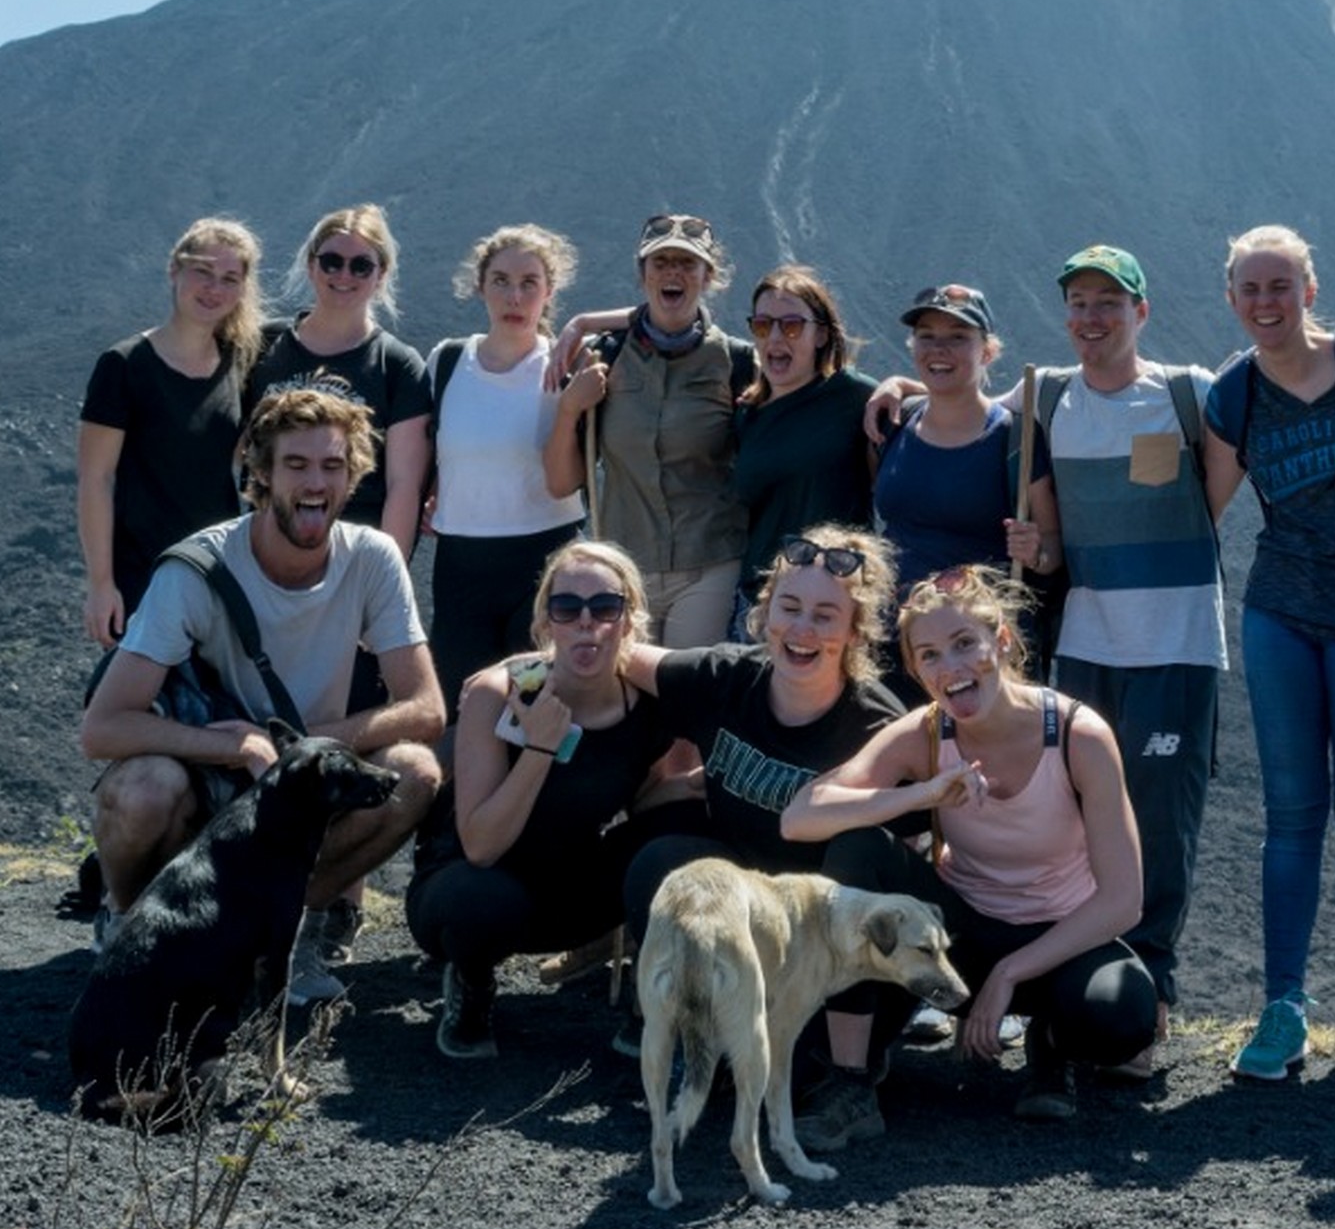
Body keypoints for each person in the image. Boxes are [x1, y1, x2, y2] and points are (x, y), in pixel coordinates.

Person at [79, 385, 444, 1006]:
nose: (315, 482)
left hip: (296, 782)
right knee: (141, 790)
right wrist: (232, 745)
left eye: (332, 466)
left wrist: (312, 746)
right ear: (261, 475)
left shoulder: (372, 558)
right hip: (213, 783)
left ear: (352, 477)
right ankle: (133, 925)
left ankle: (282, 935)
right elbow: (102, 729)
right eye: (296, 465)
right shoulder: (196, 572)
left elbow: (426, 708)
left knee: (415, 771)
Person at [783, 567, 1155, 1123]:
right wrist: (920, 795)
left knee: (1120, 1017)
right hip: (963, 935)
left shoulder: (1079, 734)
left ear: (1000, 641)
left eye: (964, 644)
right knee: (858, 846)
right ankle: (852, 1080)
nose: (951, 668)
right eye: (929, 656)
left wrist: (1010, 975)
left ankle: (1051, 1045)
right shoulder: (925, 733)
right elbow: (800, 816)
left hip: (1062, 942)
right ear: (916, 671)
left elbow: (1123, 901)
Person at [1199, 226, 1335, 1079]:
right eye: (1251, 288)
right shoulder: (1235, 396)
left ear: (1310, 290)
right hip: (1281, 614)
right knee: (1291, 818)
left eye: (1280, 285)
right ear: (1231, 299)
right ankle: (1283, 1007)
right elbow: (1201, 514)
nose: (1266, 302)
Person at [615, 524, 906, 1151]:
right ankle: (703, 1038)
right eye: (790, 607)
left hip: (837, 959)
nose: (802, 630)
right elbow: (618, 652)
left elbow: (913, 864)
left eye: (827, 615)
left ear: (855, 630)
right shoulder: (727, 676)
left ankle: (851, 1081)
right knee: (662, 862)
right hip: (750, 935)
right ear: (763, 610)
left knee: (857, 863)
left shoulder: (878, 723)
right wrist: (514, 675)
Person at [1006, 243, 1222, 1079]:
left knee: (1162, 823)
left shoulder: (1186, 393)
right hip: (1086, 646)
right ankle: (1077, 992)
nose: (1093, 318)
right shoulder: (1046, 400)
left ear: (1142, 311)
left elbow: (1215, 498)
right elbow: (1052, 550)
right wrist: (1039, 547)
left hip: (1177, 645)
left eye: (1110, 302)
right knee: (1078, 823)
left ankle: (1150, 1000)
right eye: (1080, 304)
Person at [405, 539, 693, 1060]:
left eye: (605, 607)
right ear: (546, 622)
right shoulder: (503, 692)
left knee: (689, 828)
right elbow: (481, 847)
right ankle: (471, 985)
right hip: (473, 886)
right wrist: (539, 746)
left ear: (629, 620)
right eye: (568, 608)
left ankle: (653, 992)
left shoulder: (646, 703)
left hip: (570, 887)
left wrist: (693, 789)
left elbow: (647, 800)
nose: (587, 622)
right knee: (481, 900)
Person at [546, 213, 753, 650]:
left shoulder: (737, 364)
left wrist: (897, 389)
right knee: (624, 693)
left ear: (708, 277)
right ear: (643, 275)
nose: (673, 272)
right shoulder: (604, 356)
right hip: (623, 565)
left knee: (681, 690)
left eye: (687, 263)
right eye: (661, 263)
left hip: (709, 560)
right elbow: (562, 483)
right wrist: (569, 408)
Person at [420, 227, 587, 716]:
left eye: (530, 283)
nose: (514, 296)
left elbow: (648, 319)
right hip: (460, 566)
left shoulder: (570, 363)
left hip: (542, 565)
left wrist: (583, 323)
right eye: (501, 281)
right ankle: (464, 795)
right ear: (480, 286)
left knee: (530, 709)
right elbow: (431, 449)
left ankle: (536, 791)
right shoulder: (447, 362)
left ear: (550, 292)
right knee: (461, 704)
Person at [77, 217, 265, 650]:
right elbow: (95, 480)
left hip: (219, 571)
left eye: (228, 278)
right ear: (174, 270)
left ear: (241, 290)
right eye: (203, 271)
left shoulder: (242, 363)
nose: (213, 288)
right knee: (139, 709)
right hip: (141, 573)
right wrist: (102, 584)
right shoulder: (123, 366)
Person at [870, 284, 1059, 693]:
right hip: (892, 644)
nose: (939, 349)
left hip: (973, 654)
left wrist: (1037, 552)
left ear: (987, 352)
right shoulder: (896, 421)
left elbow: (1053, 548)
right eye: (927, 336)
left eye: (958, 337)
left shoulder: (1016, 438)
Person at [246, 205, 431, 558]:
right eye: (332, 261)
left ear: (382, 275)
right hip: (265, 551)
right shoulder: (263, 345)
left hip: (353, 556)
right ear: (311, 265)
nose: (345, 274)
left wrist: (385, 577)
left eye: (361, 265)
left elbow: (403, 486)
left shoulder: (397, 365)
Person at [729, 265, 879, 622]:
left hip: (833, 600)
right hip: (759, 599)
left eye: (792, 325)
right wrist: (583, 325)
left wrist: (901, 386)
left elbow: (941, 402)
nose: (776, 338)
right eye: (763, 326)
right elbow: (675, 324)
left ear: (822, 336)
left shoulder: (854, 398)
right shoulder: (746, 414)